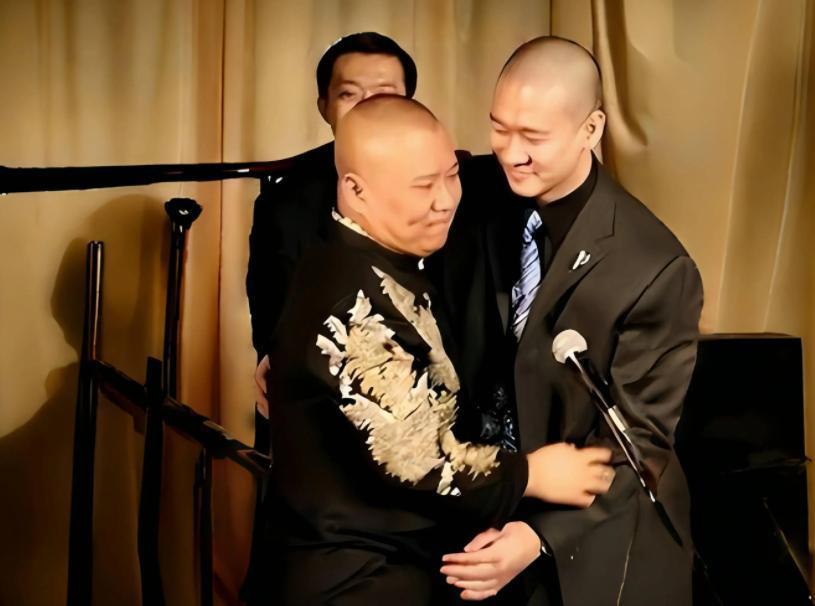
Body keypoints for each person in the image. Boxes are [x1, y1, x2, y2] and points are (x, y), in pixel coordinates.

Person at [261, 95, 615, 605]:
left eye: (451, 176)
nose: (446, 199)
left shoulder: (378, 253)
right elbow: (419, 460)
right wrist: (535, 473)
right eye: (423, 186)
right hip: (353, 578)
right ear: (355, 189)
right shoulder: (348, 303)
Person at [435, 37, 703, 605]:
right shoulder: (470, 192)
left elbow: (639, 442)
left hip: (599, 543)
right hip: (486, 507)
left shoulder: (655, 267)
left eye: (533, 137)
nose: (511, 153)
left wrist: (538, 536)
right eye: (499, 128)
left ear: (591, 129)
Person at [241, 33, 417, 601]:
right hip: (329, 414)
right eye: (349, 94)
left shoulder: (449, 186)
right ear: (324, 106)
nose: (368, 107)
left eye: (385, 92)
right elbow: (276, 317)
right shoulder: (288, 201)